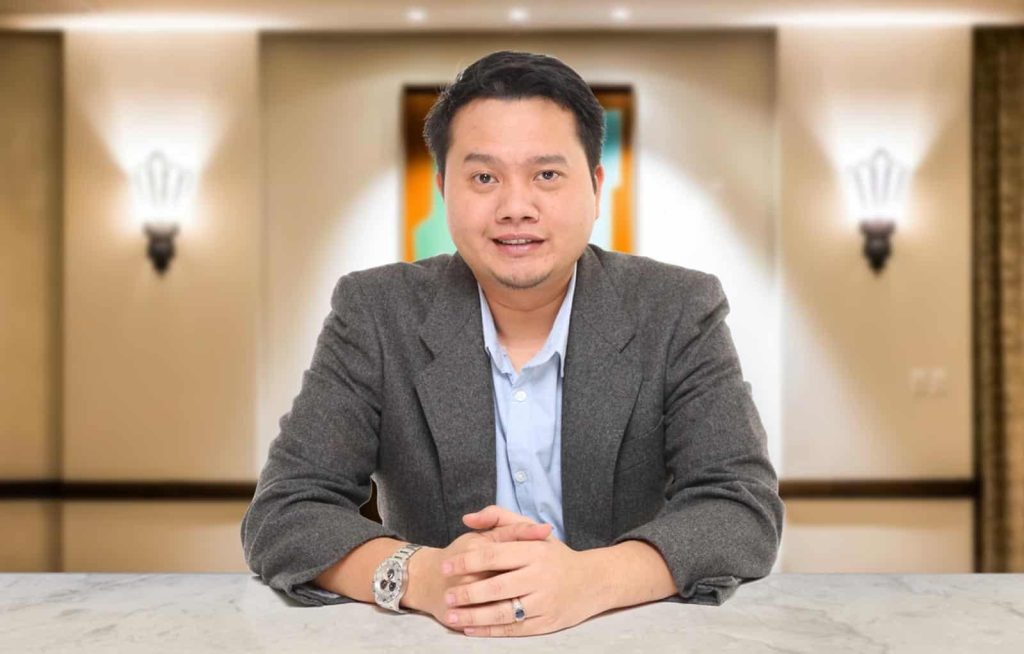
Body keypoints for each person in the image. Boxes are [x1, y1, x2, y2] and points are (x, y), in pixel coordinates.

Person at [241, 49, 784, 638]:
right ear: (444, 188)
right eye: (483, 178)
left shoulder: (677, 309)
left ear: (596, 187)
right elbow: (285, 511)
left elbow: (741, 507)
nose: (516, 208)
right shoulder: (377, 313)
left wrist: (592, 579)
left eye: (547, 175)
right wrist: (423, 575)